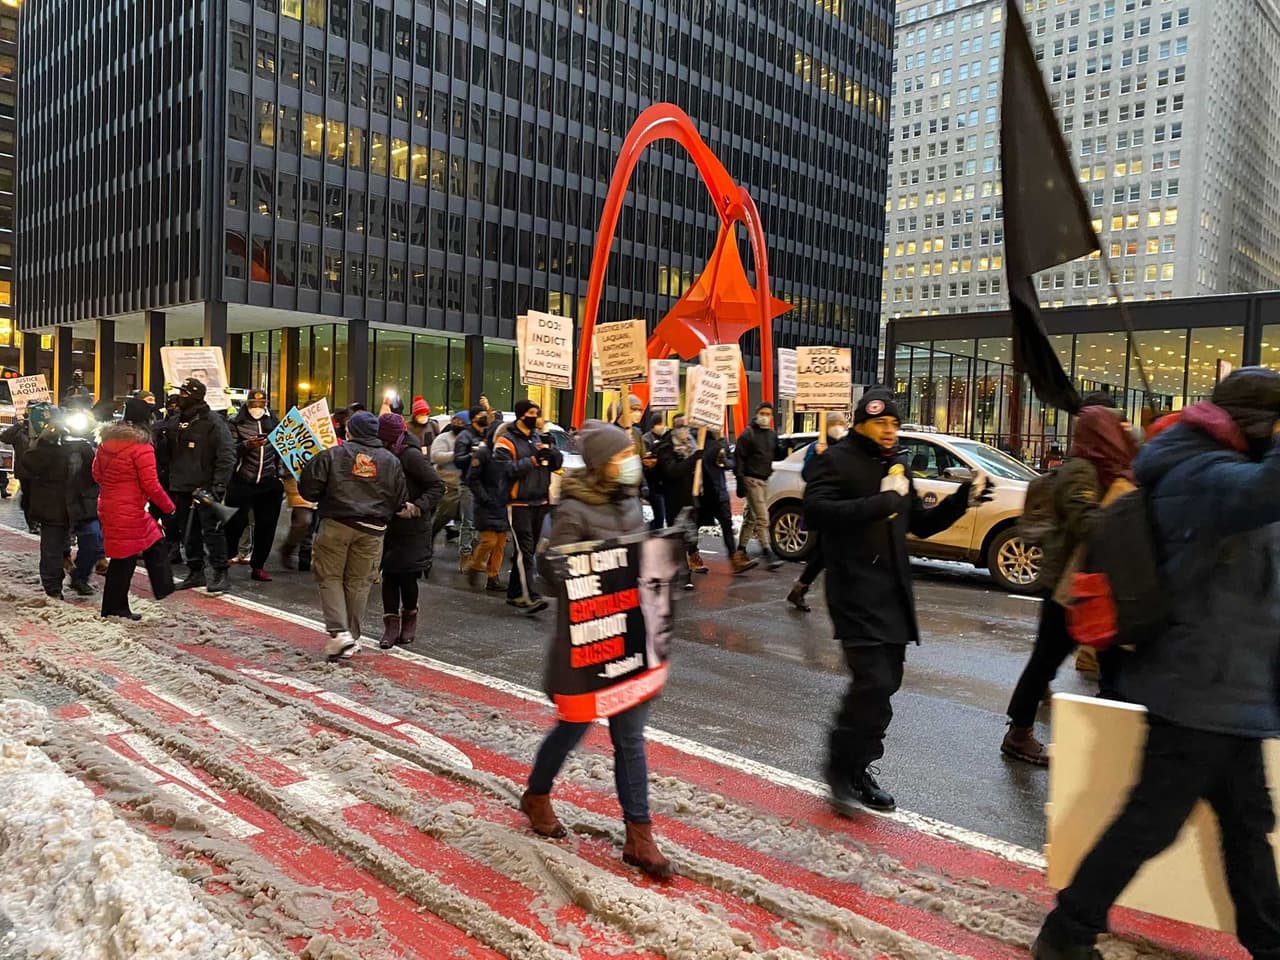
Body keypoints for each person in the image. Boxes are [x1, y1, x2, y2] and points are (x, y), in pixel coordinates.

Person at [1033, 367, 1280, 960]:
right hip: (1198, 686)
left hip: (1228, 686)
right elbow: (1260, 495)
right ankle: (1066, 932)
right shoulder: (1201, 474)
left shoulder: (1218, 467)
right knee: (1153, 822)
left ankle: (1269, 944)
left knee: (1245, 826)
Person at [804, 388, 989, 814]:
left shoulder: (896, 465)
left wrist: (963, 500)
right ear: (860, 423)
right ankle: (838, 768)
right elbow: (815, 513)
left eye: (894, 424)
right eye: (881, 423)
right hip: (854, 591)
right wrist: (879, 503)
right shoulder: (836, 459)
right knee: (873, 681)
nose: (889, 431)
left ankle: (859, 767)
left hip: (893, 593)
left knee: (888, 684)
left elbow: (920, 526)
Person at [521, 420, 673, 881]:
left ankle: (639, 834)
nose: (631, 462)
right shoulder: (571, 510)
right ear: (602, 464)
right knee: (573, 727)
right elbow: (545, 575)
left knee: (630, 738)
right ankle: (537, 793)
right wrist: (565, 567)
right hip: (585, 645)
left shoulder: (632, 502)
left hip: (628, 640)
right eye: (621, 456)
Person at [1001, 402, 1138, 766]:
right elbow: (1087, 524)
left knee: (1112, 664)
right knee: (1046, 660)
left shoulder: (1111, 469)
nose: (1122, 429)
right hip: (1069, 586)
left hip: (1098, 583)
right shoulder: (1081, 470)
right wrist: (1125, 504)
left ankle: (1112, 738)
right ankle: (1019, 732)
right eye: (1116, 424)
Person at [300, 411, 409, 661]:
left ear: (350, 432)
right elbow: (400, 498)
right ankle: (353, 638)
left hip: (337, 522)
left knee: (330, 577)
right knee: (359, 583)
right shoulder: (391, 461)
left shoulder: (332, 455)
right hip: (373, 529)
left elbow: (310, 490)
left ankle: (340, 634)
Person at [95, 393, 175, 620]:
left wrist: (115, 488)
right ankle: (115, 608)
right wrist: (169, 507)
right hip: (127, 509)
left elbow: (96, 473)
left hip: (111, 505)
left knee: (151, 540)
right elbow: (151, 484)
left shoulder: (106, 442)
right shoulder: (142, 447)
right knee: (124, 560)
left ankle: (158, 589)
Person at [377, 413, 445, 649]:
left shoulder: (410, 456)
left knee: (406, 576)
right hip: (387, 525)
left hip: (412, 527)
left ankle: (409, 618)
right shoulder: (381, 455)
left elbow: (437, 486)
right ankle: (390, 625)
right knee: (389, 576)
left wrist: (417, 507)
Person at [19, 410, 104, 599]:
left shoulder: (81, 445)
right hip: (53, 506)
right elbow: (28, 465)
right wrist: (45, 442)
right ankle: (53, 589)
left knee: (92, 539)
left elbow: (96, 470)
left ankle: (79, 578)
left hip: (82, 504)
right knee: (52, 549)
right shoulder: (39, 448)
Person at [166, 379, 237, 594]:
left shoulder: (213, 422)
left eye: (185, 394)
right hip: (180, 486)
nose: (180, 398)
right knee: (188, 533)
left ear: (195, 396)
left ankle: (219, 572)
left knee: (212, 532)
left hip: (205, 487)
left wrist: (218, 486)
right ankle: (195, 571)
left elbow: (227, 455)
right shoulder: (176, 420)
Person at [494, 399, 563, 613]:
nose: (536, 416)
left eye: (538, 412)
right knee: (525, 551)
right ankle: (530, 595)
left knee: (528, 550)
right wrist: (532, 460)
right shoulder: (506, 441)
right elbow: (504, 469)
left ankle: (514, 593)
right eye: (532, 412)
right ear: (521, 415)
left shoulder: (538, 438)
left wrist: (553, 454)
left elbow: (556, 465)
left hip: (540, 501)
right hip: (519, 503)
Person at [787, 413, 851, 612]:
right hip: (825, 506)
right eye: (835, 424)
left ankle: (800, 589)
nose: (839, 427)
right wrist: (817, 456)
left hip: (842, 505)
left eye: (842, 423)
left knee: (825, 552)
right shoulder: (817, 447)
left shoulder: (847, 446)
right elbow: (808, 475)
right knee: (829, 551)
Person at [222, 390, 284, 583]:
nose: (257, 407)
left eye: (261, 402)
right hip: (242, 481)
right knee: (234, 523)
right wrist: (247, 445)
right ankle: (225, 558)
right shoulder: (235, 422)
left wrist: (280, 476)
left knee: (266, 527)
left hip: (269, 482)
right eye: (254, 403)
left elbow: (284, 450)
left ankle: (258, 566)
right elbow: (229, 450)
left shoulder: (275, 422)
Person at [653, 415, 703, 584]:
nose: (685, 430)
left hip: (690, 496)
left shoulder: (692, 444)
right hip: (674, 497)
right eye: (681, 426)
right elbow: (673, 471)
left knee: (689, 535)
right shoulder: (666, 447)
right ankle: (683, 573)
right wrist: (693, 459)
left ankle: (681, 567)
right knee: (678, 534)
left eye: (686, 426)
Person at [734, 402, 785, 570]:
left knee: (751, 517)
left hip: (764, 480)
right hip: (751, 479)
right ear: (756, 414)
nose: (765, 416)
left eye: (768, 414)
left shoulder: (771, 435)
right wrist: (740, 481)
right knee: (763, 517)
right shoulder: (748, 435)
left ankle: (740, 550)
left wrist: (784, 448)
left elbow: (776, 454)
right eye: (762, 413)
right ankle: (767, 550)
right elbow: (739, 459)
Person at [700, 427, 756, 576]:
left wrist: (724, 460)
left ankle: (734, 558)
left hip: (719, 491)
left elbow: (732, 463)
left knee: (726, 523)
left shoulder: (720, 441)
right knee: (695, 525)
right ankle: (691, 556)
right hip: (702, 491)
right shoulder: (696, 438)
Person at [464, 422, 510, 593]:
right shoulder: (483, 453)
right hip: (487, 504)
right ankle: (475, 566)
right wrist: (484, 497)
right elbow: (472, 478)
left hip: (502, 503)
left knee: (500, 543)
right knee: (489, 541)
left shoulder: (507, 454)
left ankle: (493, 576)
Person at [430, 410, 468, 549]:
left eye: (462, 422)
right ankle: (429, 538)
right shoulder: (444, 438)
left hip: (466, 486)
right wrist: (456, 455)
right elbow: (435, 456)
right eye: (455, 421)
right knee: (443, 515)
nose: (458, 424)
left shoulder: (471, 439)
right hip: (448, 484)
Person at [279, 475, 317, 572]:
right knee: (303, 521)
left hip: (322, 481)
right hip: (298, 483)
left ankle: (305, 559)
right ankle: (289, 548)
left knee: (314, 523)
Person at [1, 414, 32, 528]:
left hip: (41, 471)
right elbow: (4, 437)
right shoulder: (19, 431)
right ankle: (32, 523)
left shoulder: (46, 428)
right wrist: (18, 425)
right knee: (28, 497)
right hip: (24, 471)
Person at [641, 415, 669, 530]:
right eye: (660, 424)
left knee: (661, 514)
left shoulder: (666, 438)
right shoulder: (646, 439)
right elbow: (645, 460)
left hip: (663, 481)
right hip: (651, 481)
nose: (663, 427)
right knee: (659, 513)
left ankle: (651, 530)